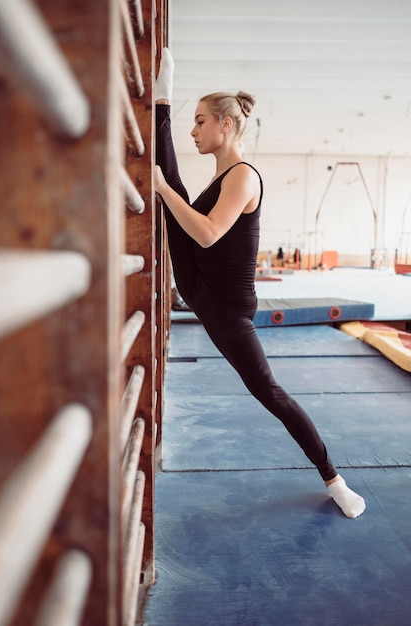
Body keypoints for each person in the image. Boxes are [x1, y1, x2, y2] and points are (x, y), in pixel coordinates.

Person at [154, 48, 365, 519]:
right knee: (173, 192)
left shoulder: (244, 177)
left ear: (227, 125)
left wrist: (165, 192)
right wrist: (168, 192)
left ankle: (334, 479)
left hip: (227, 308)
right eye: (191, 122)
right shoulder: (221, 175)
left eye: (202, 121)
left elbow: (207, 234)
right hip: (198, 288)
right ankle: (160, 102)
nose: (196, 131)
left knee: (269, 391)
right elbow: (191, 217)